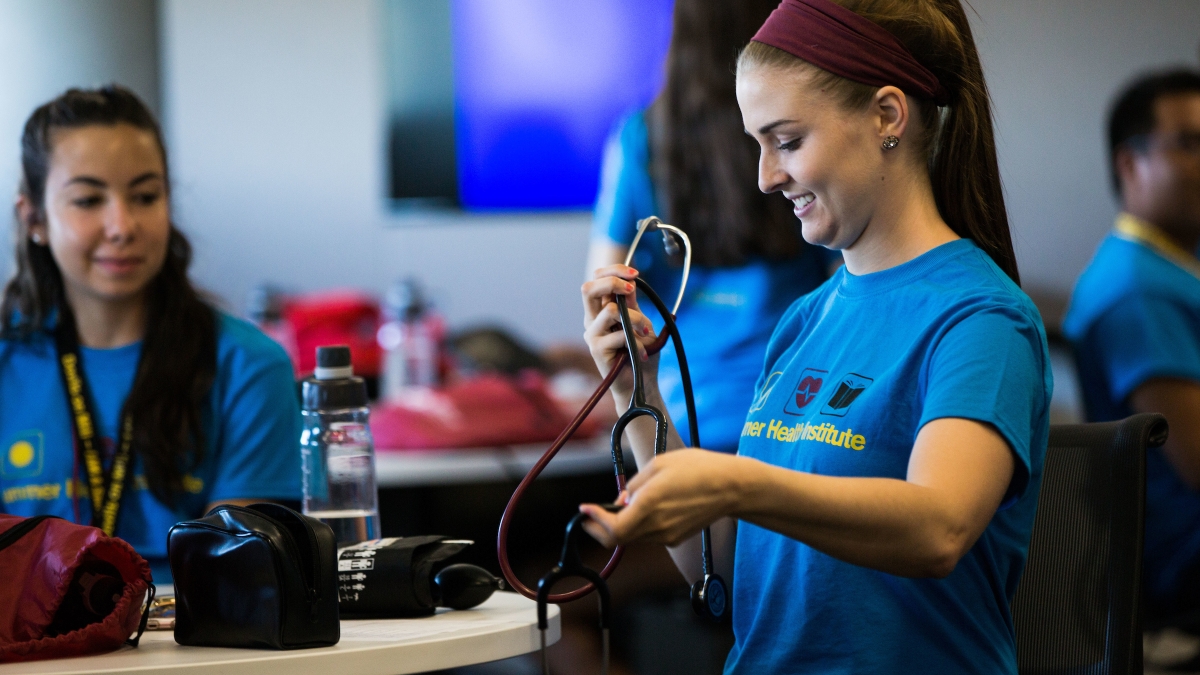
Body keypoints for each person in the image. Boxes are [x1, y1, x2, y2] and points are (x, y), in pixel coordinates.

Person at [578, 0, 1052, 672]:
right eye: (758, 145)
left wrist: (737, 482)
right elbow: (725, 572)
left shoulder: (979, 318)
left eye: (788, 141)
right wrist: (637, 389)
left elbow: (938, 526)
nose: (766, 177)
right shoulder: (804, 321)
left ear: (888, 116)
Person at [0, 86, 301, 583]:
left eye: (145, 196)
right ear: (35, 219)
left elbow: (233, 576)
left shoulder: (248, 365)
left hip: (188, 649)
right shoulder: (9, 365)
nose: (122, 225)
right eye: (88, 199)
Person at [589, 0, 832, 454]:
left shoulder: (639, 139)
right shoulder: (799, 142)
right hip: (794, 422)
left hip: (680, 423)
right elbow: (848, 278)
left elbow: (606, 295)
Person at [1063, 69, 1200, 625]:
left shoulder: (1168, 265)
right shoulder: (1136, 290)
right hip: (1181, 564)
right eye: (1190, 143)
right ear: (1130, 164)